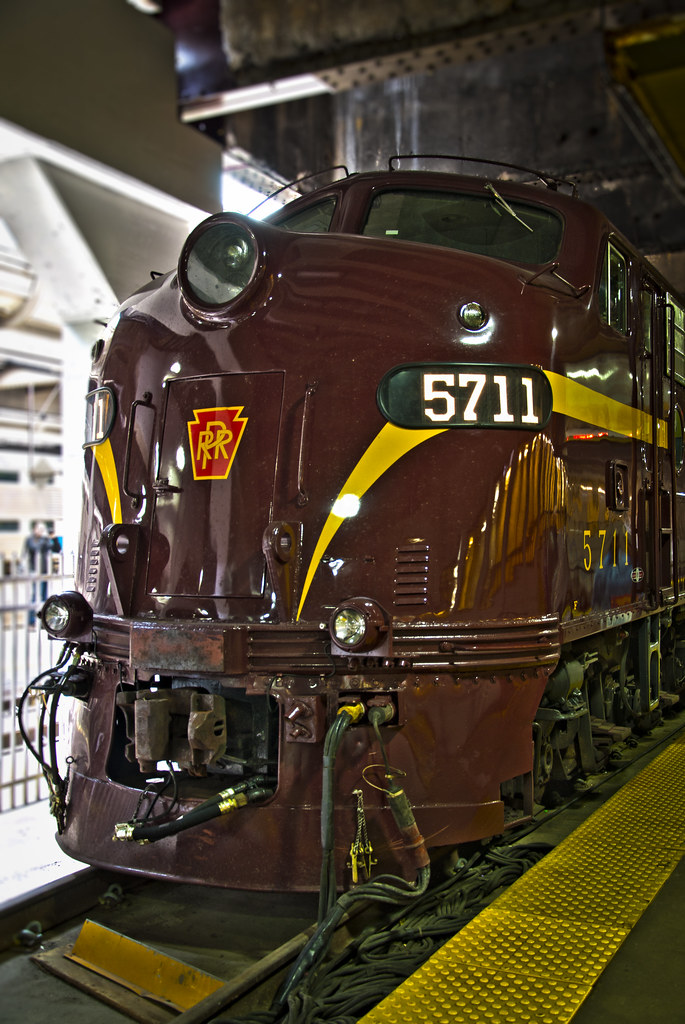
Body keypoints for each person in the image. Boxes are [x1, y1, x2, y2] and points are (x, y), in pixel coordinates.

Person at [24, 522, 61, 626]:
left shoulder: (45, 540)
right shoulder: (31, 539)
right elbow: (35, 548)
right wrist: (45, 539)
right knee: (35, 596)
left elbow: (57, 549)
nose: (41, 531)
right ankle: (31, 621)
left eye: (42, 529)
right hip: (34, 571)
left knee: (44, 596)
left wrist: (53, 537)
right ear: (35, 529)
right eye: (39, 529)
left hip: (44, 570)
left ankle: (42, 620)